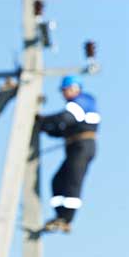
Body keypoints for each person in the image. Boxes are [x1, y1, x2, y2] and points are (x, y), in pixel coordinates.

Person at [38, 75, 100, 233]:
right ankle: (60, 216)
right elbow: (63, 128)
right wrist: (47, 127)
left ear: (75, 88)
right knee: (57, 181)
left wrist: (44, 120)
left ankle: (67, 218)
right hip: (75, 145)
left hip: (82, 146)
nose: (64, 94)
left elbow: (67, 118)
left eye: (65, 90)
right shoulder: (77, 105)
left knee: (73, 181)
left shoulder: (83, 101)